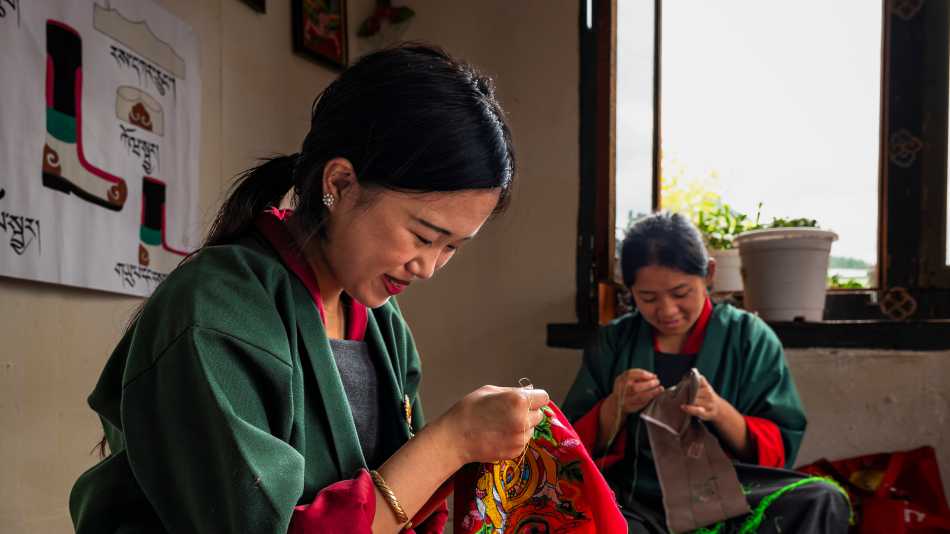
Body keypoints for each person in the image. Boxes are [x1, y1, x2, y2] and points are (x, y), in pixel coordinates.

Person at [69, 43, 549, 534]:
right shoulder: (214, 311)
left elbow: (405, 501)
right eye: (424, 236)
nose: (427, 267)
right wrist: (453, 441)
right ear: (339, 184)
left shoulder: (382, 322)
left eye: (452, 248)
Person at [562, 212, 851, 533]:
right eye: (648, 298)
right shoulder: (614, 341)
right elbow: (567, 443)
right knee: (580, 513)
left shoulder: (749, 337)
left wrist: (720, 412)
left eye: (681, 293)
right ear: (630, 290)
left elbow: (780, 445)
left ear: (709, 274)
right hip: (637, 493)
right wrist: (613, 407)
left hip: (730, 490)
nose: (667, 310)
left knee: (822, 498)